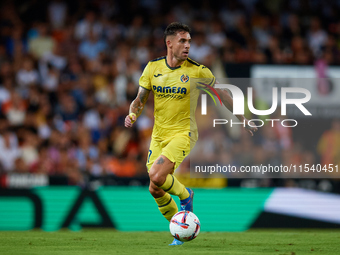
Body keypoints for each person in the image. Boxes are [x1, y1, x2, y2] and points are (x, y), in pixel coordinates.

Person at [124, 22, 257, 245]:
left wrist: (242, 119)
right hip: (159, 135)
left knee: (157, 176)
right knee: (155, 188)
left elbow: (222, 94)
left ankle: (186, 195)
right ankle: (179, 234)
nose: (187, 46)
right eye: (182, 41)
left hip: (183, 133)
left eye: (189, 42)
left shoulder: (197, 71)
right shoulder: (152, 68)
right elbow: (139, 100)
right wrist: (132, 115)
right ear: (169, 43)